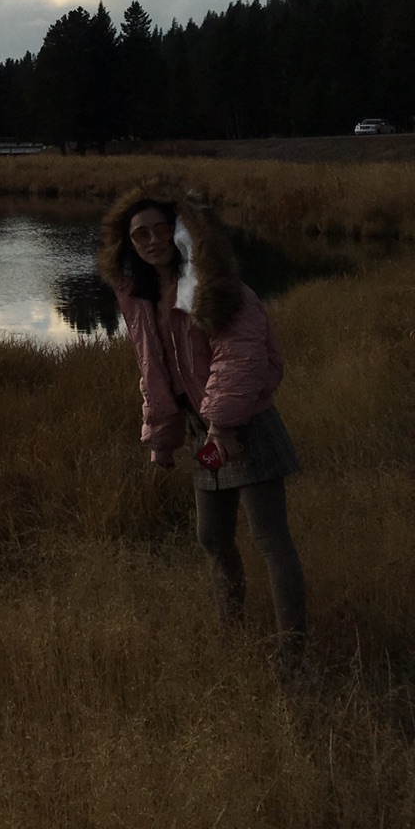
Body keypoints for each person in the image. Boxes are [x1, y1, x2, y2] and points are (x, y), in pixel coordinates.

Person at [97, 181, 307, 659]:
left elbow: (240, 359)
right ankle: (230, 635)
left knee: (270, 539)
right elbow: (152, 369)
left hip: (243, 426)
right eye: (139, 234)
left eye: (160, 228)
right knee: (212, 537)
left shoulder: (212, 286)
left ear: (180, 231)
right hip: (205, 432)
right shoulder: (140, 296)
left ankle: (292, 653)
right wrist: (163, 439)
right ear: (127, 244)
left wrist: (223, 426)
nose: (151, 240)